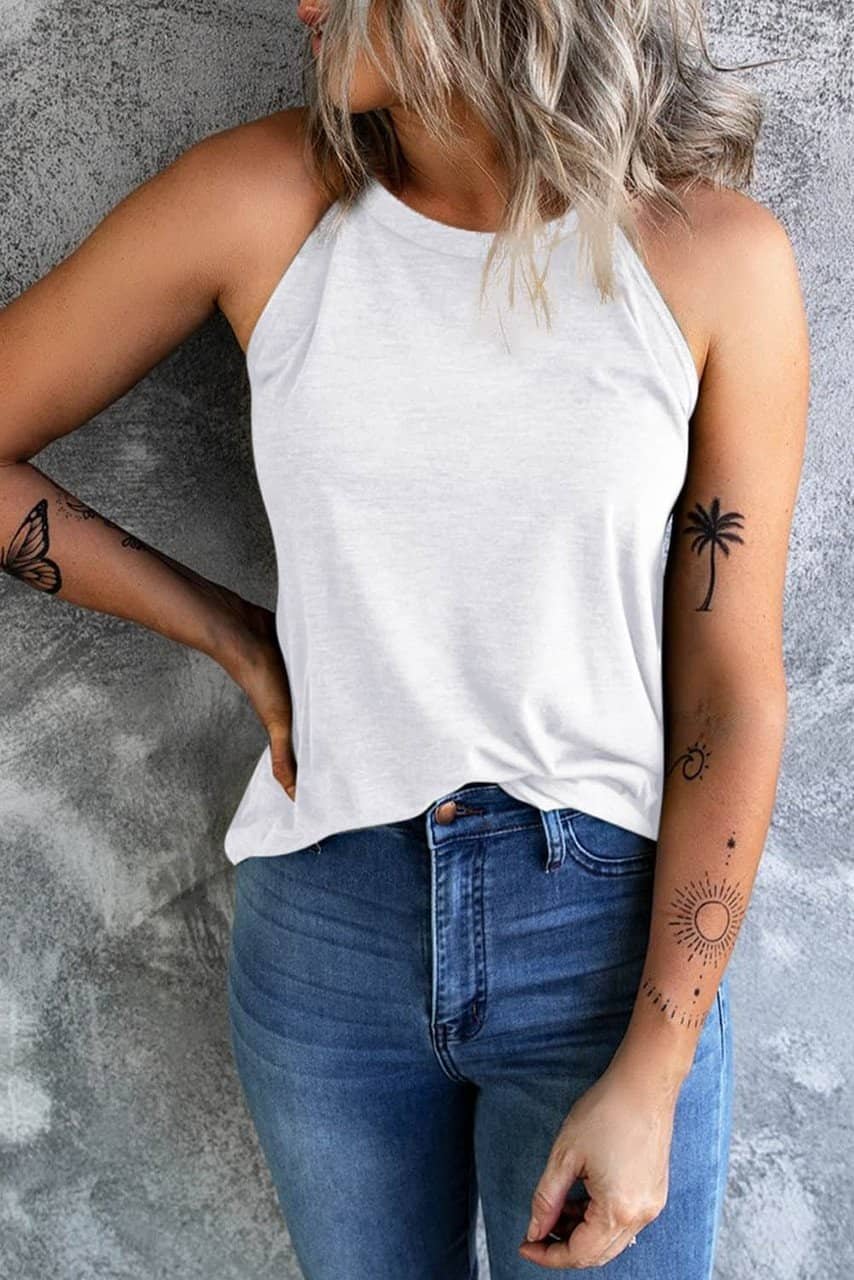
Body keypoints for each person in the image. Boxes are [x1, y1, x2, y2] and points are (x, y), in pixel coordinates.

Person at [0, 0, 809, 1275]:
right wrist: (224, 628)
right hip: (328, 928)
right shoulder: (259, 201)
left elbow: (730, 691)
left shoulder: (711, 257)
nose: (304, 6)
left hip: (605, 946)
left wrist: (654, 1066)